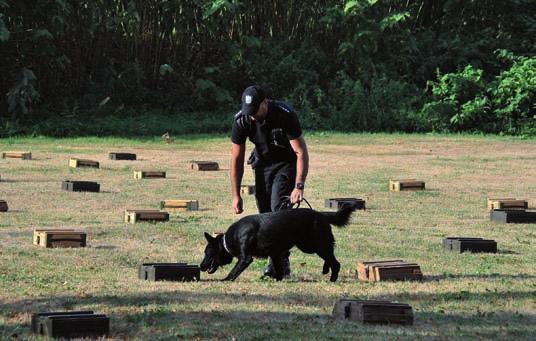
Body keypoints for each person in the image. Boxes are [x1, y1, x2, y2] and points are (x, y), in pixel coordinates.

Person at [230, 85, 309, 279]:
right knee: (265, 216)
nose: (253, 115)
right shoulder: (242, 120)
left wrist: (299, 185)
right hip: (262, 166)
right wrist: (235, 195)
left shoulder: (285, 114)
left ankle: (281, 263)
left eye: (255, 110)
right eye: (249, 112)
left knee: (277, 209)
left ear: (265, 103)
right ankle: (275, 259)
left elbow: (300, 152)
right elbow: (236, 160)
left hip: (286, 164)